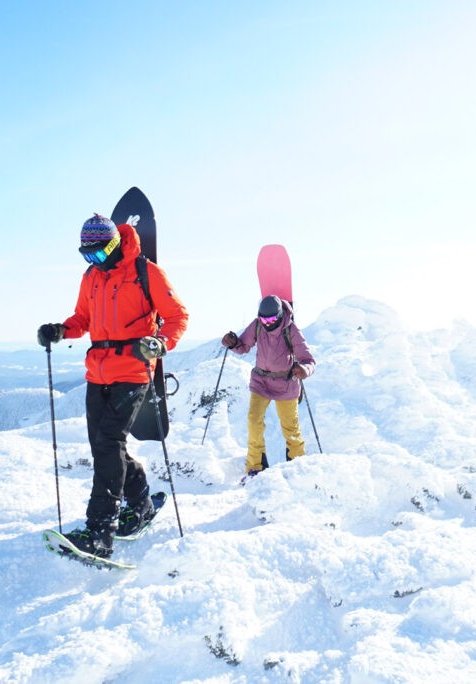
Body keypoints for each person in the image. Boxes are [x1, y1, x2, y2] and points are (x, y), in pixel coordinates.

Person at [37, 214, 188, 559]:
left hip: (133, 369)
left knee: (108, 443)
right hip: (97, 372)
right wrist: (61, 330)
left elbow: (178, 316)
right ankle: (141, 502)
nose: (95, 262)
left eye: (100, 254)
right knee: (104, 446)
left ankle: (100, 531)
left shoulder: (145, 272)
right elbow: (83, 320)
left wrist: (160, 342)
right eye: (87, 256)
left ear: (115, 244)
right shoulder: (91, 276)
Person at [221, 295, 315, 481]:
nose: (267, 323)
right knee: (254, 421)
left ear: (280, 316)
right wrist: (233, 343)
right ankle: (255, 468)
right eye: (264, 319)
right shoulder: (257, 325)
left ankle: (297, 467)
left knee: (291, 429)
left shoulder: (291, 329)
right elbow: (243, 346)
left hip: (285, 383)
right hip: (261, 382)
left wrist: (304, 369)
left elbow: (308, 360)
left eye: (271, 320)